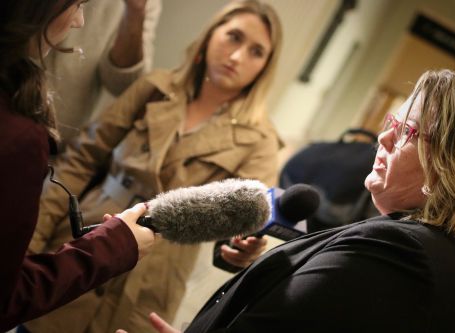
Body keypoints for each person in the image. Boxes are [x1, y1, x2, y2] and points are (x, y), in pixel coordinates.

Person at [120, 69, 455, 333]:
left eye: (409, 132)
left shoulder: (404, 255)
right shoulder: (447, 253)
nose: (383, 140)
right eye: (391, 124)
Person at [25, 1, 283, 332]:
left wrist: (242, 250)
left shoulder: (259, 138)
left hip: (154, 274)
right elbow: (80, 161)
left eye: (256, 51)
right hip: (86, 238)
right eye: (233, 37)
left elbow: (249, 218)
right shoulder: (154, 88)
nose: (237, 57)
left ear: (265, 67)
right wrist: (32, 241)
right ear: (210, 35)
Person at [0, 1, 156, 331]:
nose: (80, 21)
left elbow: (121, 77)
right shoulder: (19, 138)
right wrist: (113, 246)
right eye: (78, 4)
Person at [46, 0, 162, 143]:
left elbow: (124, 86)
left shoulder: (148, 3)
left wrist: (135, 12)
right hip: (14, 113)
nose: (79, 22)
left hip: (59, 142)